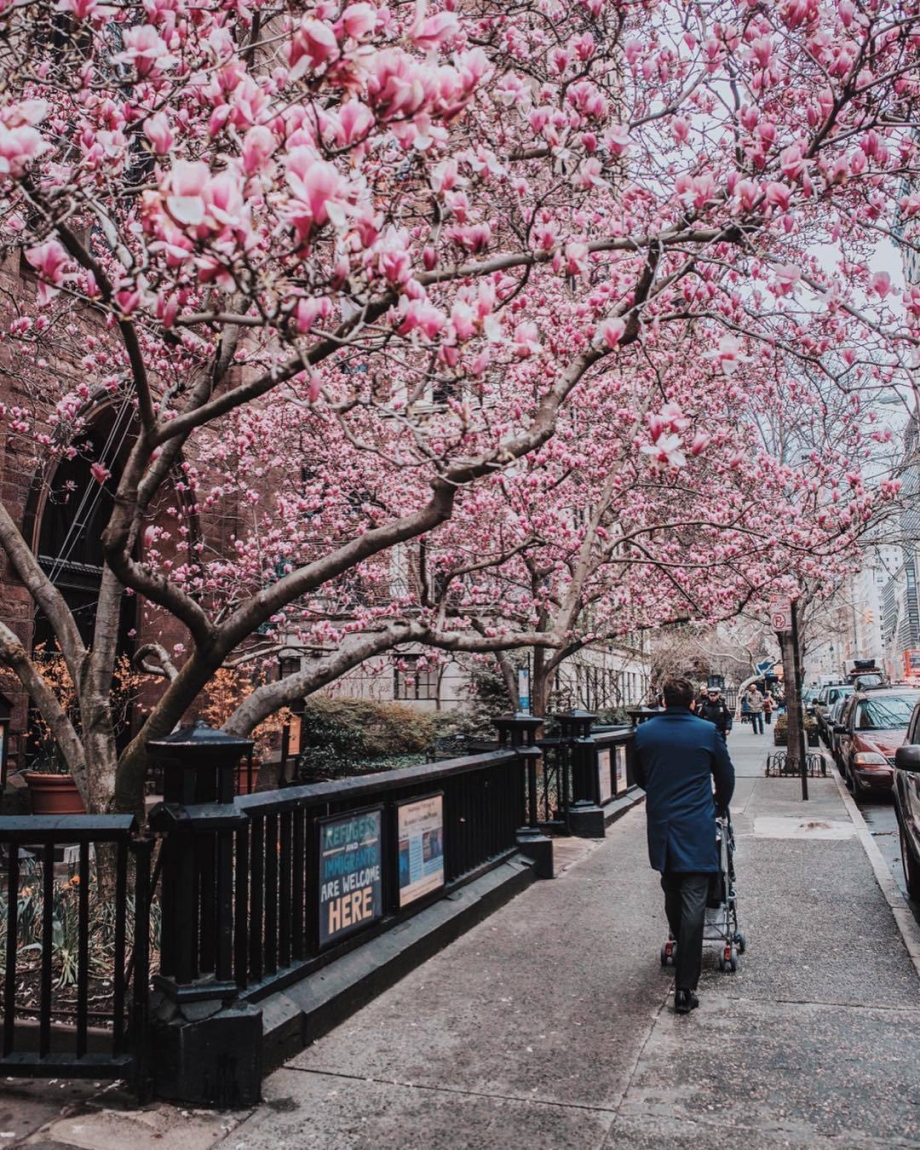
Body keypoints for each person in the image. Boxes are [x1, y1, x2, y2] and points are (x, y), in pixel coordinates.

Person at [633, 676, 735, 1014]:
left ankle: (680, 941)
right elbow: (726, 776)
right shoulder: (706, 732)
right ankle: (685, 986)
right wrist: (718, 804)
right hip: (697, 824)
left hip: (663, 824)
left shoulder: (644, 732)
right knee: (693, 895)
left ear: (663, 701)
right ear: (693, 702)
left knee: (671, 888)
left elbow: (640, 778)